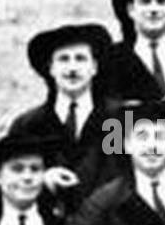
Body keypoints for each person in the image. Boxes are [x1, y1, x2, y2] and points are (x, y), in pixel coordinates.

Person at [9, 23, 115, 205]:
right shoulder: (27, 125)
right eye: (63, 59)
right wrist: (43, 180)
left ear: (94, 67)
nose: (72, 68)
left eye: (80, 59)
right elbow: (9, 180)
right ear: (50, 68)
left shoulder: (118, 118)